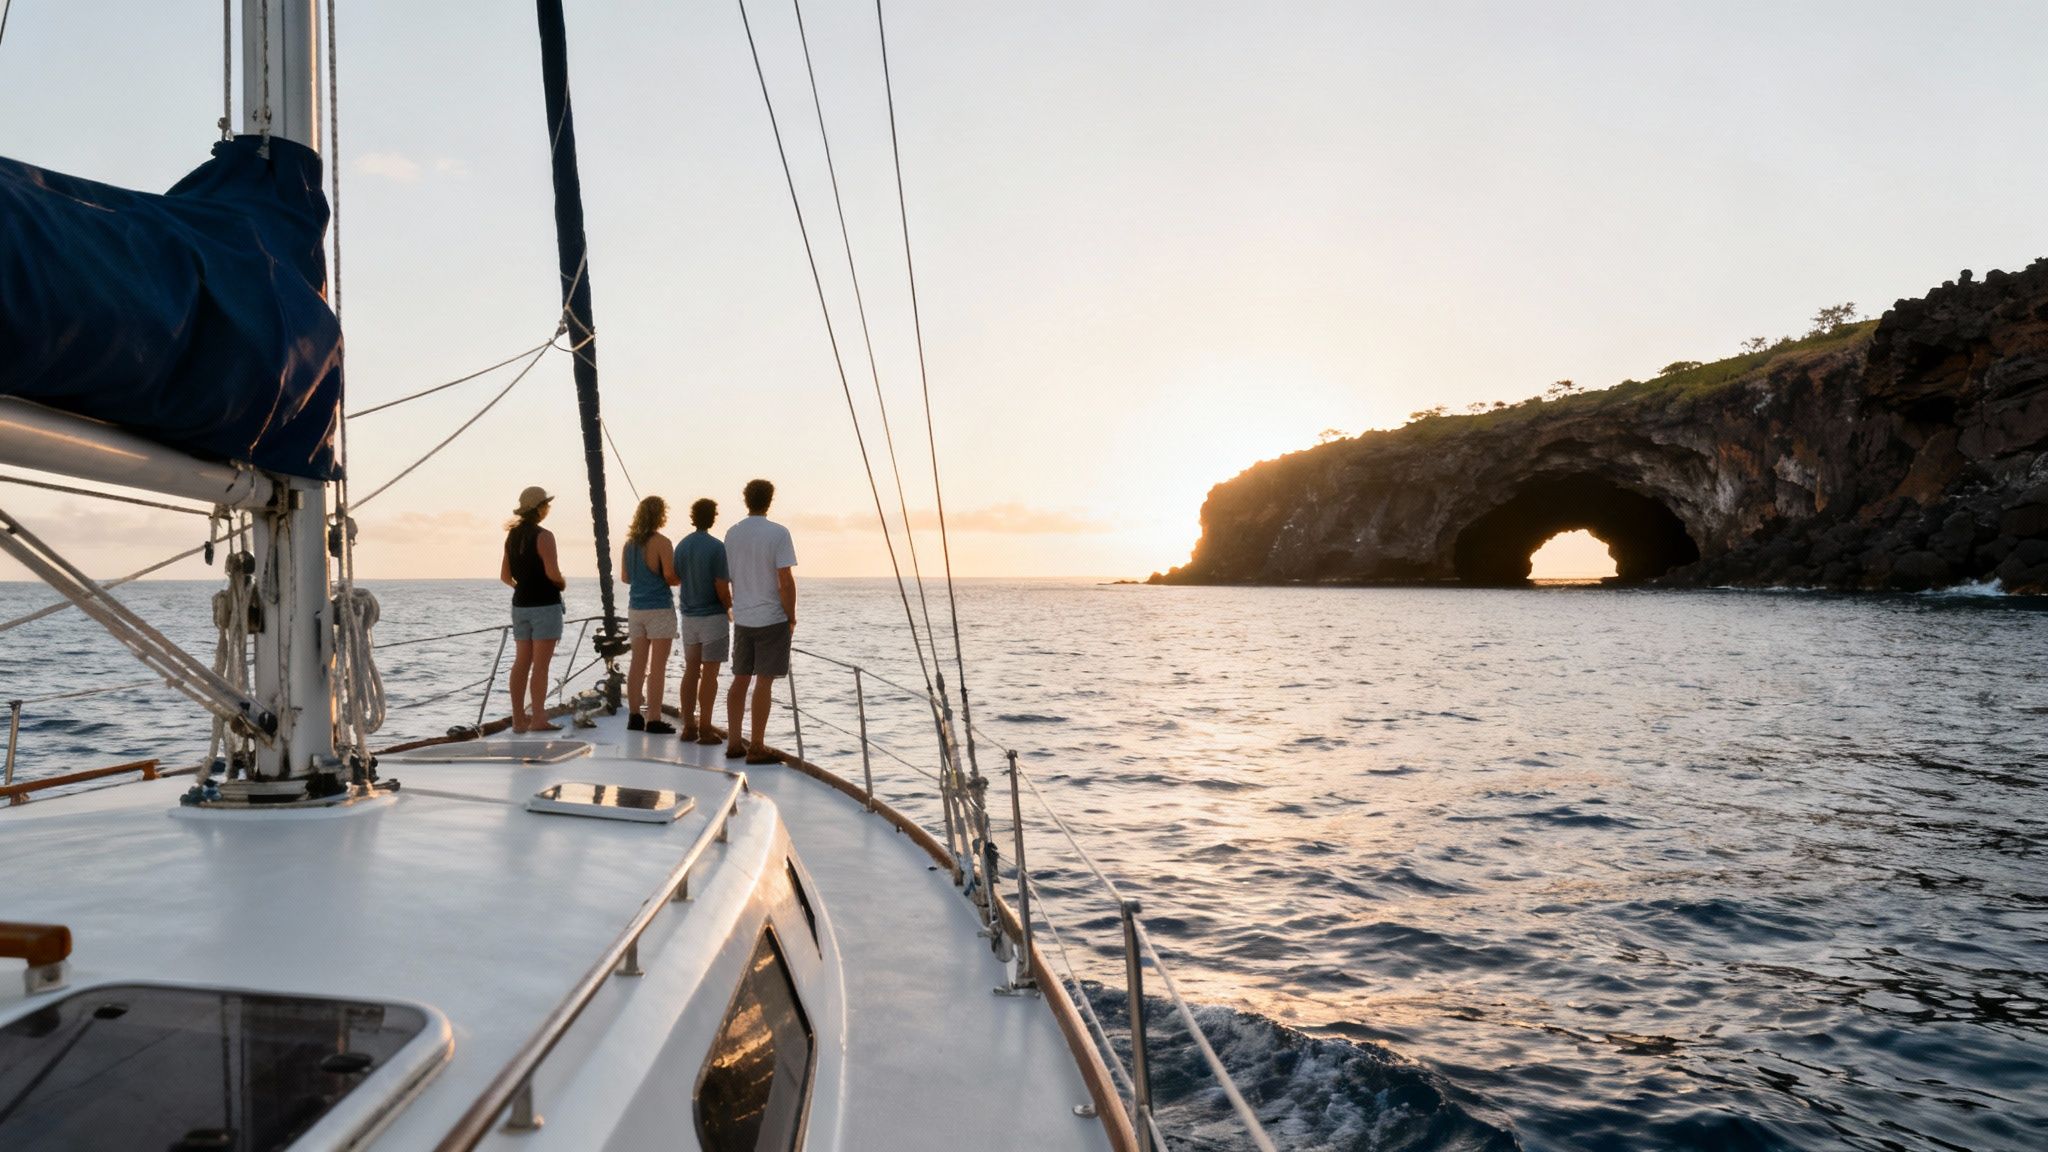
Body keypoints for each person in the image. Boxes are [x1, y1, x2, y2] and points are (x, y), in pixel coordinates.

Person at [723, 478, 796, 764]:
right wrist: (791, 616)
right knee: (763, 682)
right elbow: (785, 580)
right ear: (770, 500)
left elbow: (727, 576)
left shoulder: (733, 533)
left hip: (743, 618)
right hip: (771, 618)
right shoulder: (778, 533)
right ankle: (756, 746)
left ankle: (733, 743)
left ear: (746, 499)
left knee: (740, 679)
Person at [499, 485, 567, 733]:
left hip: (520, 605)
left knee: (521, 662)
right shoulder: (544, 535)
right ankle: (538, 718)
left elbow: (505, 576)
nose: (548, 508)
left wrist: (524, 585)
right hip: (545, 605)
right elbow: (552, 573)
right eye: (546, 504)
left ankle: (518, 720)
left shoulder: (512, 536)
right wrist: (562, 583)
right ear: (539, 508)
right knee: (540, 666)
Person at [674, 497, 733, 745]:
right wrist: (729, 607)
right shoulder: (717, 547)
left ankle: (689, 726)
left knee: (691, 670)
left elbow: (676, 577)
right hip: (712, 616)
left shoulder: (682, 545)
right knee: (710, 673)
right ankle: (706, 728)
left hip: (689, 616)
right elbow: (721, 585)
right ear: (712, 518)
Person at [621, 495, 680, 734]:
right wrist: (681, 578)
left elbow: (626, 578)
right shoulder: (662, 542)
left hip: (636, 609)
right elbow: (669, 576)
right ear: (660, 515)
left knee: (637, 663)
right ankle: (653, 718)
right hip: (659, 609)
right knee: (657, 667)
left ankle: (634, 715)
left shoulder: (629, 544)